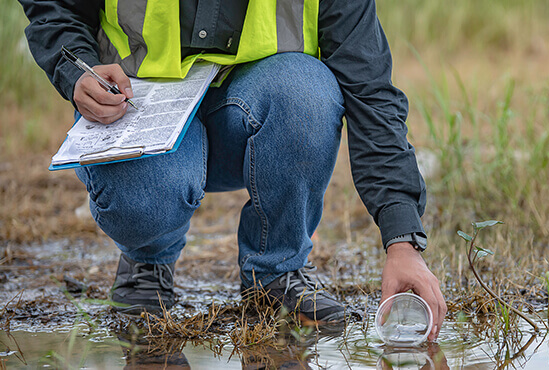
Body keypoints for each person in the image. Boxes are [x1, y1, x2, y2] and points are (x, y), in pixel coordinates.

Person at [19, 0, 447, 341]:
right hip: (136, 113)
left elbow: (370, 93)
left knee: (306, 91)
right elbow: (53, 5)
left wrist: (402, 242)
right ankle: (146, 263)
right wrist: (74, 66)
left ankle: (277, 272)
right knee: (145, 196)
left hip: (251, 117)